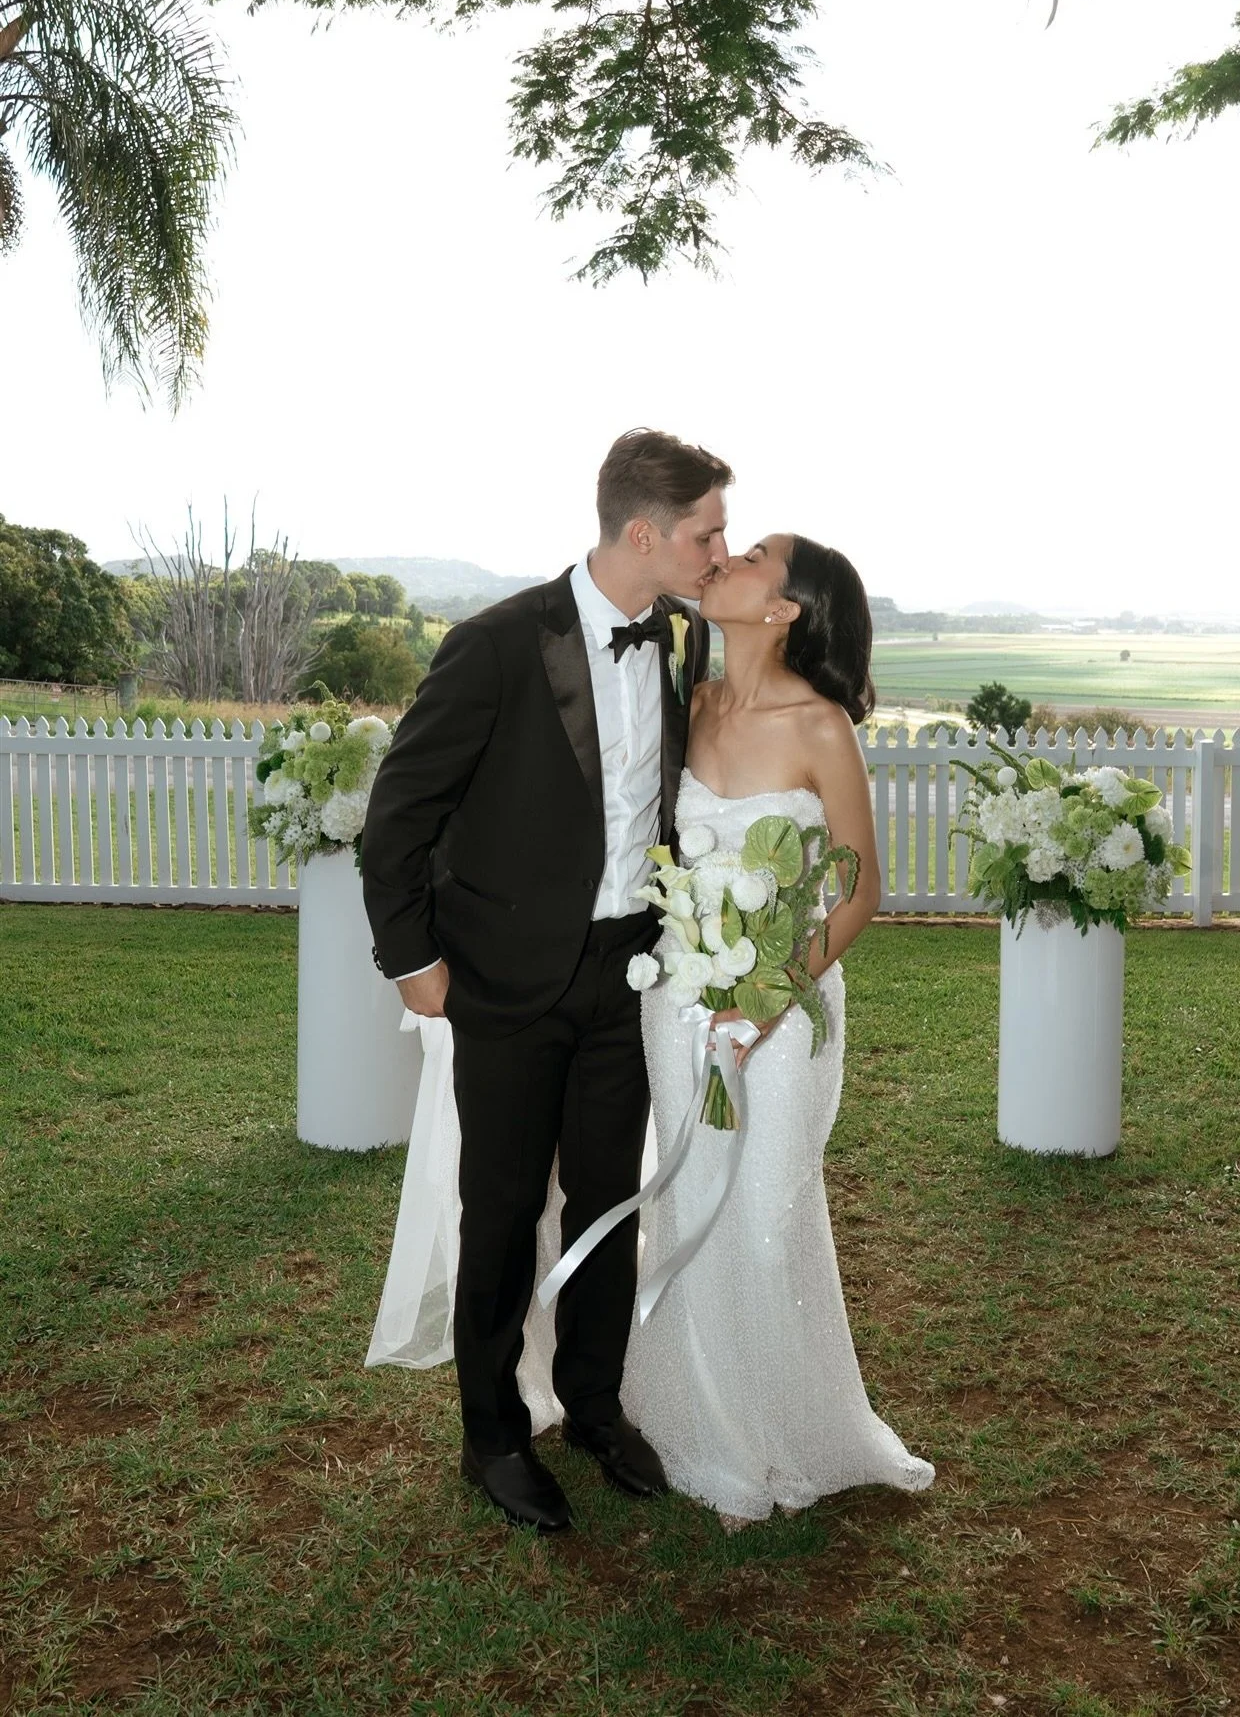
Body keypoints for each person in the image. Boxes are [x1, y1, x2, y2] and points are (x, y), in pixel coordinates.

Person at [361, 428, 730, 1533]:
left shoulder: (684, 641)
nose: (722, 548)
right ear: (643, 531)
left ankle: (597, 1406)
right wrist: (413, 960)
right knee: (506, 1207)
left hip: (630, 978)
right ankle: (493, 1435)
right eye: (707, 532)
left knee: (612, 1203)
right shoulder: (497, 644)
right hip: (506, 983)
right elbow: (400, 812)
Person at [618, 533, 935, 1521]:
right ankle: (697, 1423)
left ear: (785, 607)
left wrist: (765, 996)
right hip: (677, 997)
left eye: (753, 554)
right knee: (687, 1193)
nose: (728, 556)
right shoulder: (694, 700)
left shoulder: (821, 725)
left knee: (764, 1216)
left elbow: (862, 887)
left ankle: (790, 1427)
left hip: (786, 1008)